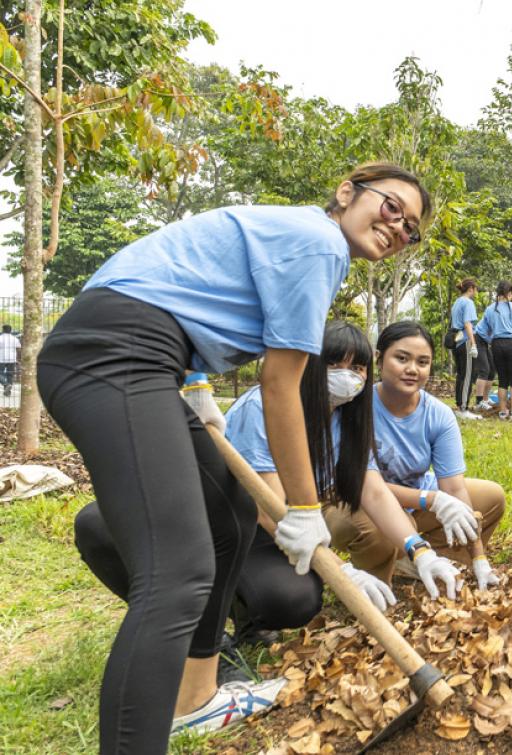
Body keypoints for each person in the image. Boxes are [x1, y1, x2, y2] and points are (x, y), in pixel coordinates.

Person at [36, 163, 429, 750]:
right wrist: (304, 509)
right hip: (115, 353)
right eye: (393, 207)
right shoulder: (320, 241)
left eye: (411, 228)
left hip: (150, 353)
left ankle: (197, 698)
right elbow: (281, 384)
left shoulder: (298, 235)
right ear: (347, 191)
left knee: (229, 517)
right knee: (179, 574)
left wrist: (195, 384)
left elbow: (184, 288)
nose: (399, 227)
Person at [70, 322, 461, 683]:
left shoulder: (347, 420)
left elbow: (371, 490)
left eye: (357, 367)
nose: (347, 376)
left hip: (260, 536)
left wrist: (420, 550)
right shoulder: (265, 407)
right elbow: (268, 505)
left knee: (294, 600)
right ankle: (200, 639)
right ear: (310, 364)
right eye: (334, 364)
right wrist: (341, 570)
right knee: (99, 527)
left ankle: (245, 615)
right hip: (214, 520)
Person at [327, 321, 506, 591]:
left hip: (414, 498)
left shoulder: (438, 414)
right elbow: (366, 488)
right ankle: (379, 575)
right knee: (380, 526)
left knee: (491, 497)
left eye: (423, 362)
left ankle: (426, 561)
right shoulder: (355, 405)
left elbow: (454, 488)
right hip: (354, 500)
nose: (412, 369)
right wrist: (431, 500)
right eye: (402, 358)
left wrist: (479, 556)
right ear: (379, 359)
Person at [477, 281, 512, 420]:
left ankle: (502, 411)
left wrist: (492, 339)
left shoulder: (490, 309)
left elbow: (483, 330)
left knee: (502, 380)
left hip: (496, 344)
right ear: (509, 293)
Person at [448, 278, 482, 419]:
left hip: (456, 342)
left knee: (461, 375)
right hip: (465, 341)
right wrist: (473, 344)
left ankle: (459, 405)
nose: (476, 292)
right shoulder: (468, 302)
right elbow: (467, 324)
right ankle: (463, 409)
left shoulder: (457, 302)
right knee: (468, 375)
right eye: (476, 289)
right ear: (471, 289)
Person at [0, 323, 19, 397]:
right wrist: (17, 358)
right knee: (10, 375)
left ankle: (5, 384)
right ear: (11, 330)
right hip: (12, 359)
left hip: (1, 358)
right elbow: (18, 349)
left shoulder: (0, 338)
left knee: (0, 373)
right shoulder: (15, 339)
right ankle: (8, 392)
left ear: (3, 330)